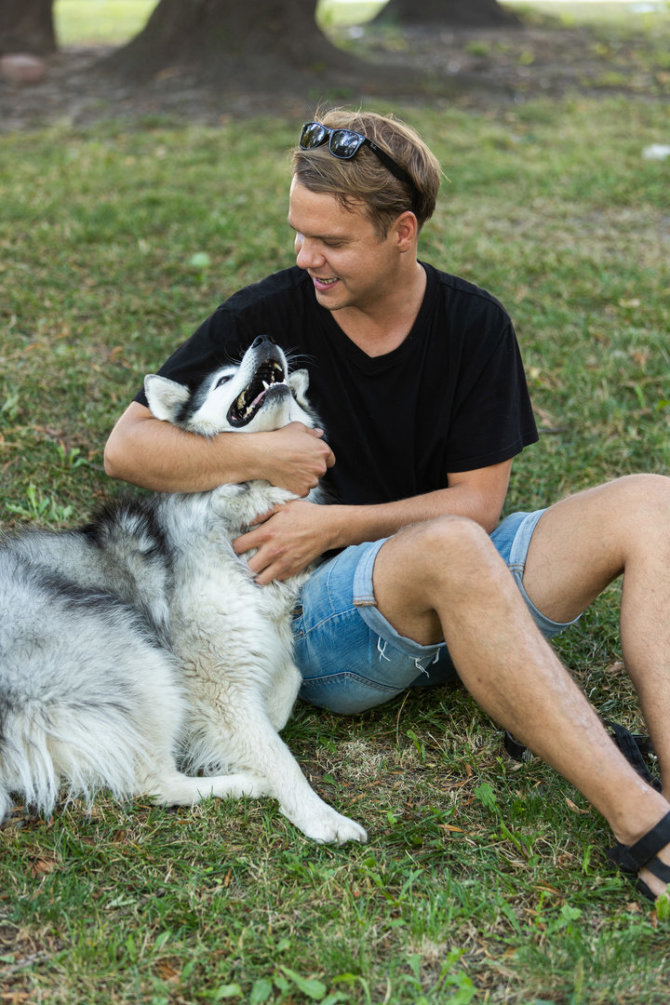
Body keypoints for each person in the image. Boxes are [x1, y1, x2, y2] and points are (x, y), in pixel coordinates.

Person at [104, 108, 670, 902]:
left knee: (652, 503)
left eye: (331, 242)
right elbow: (126, 446)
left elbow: (477, 503)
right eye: (299, 234)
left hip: (459, 580)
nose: (307, 258)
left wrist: (333, 522)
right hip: (335, 622)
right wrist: (264, 452)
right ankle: (643, 821)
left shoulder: (473, 324)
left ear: (402, 231)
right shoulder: (271, 311)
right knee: (448, 547)